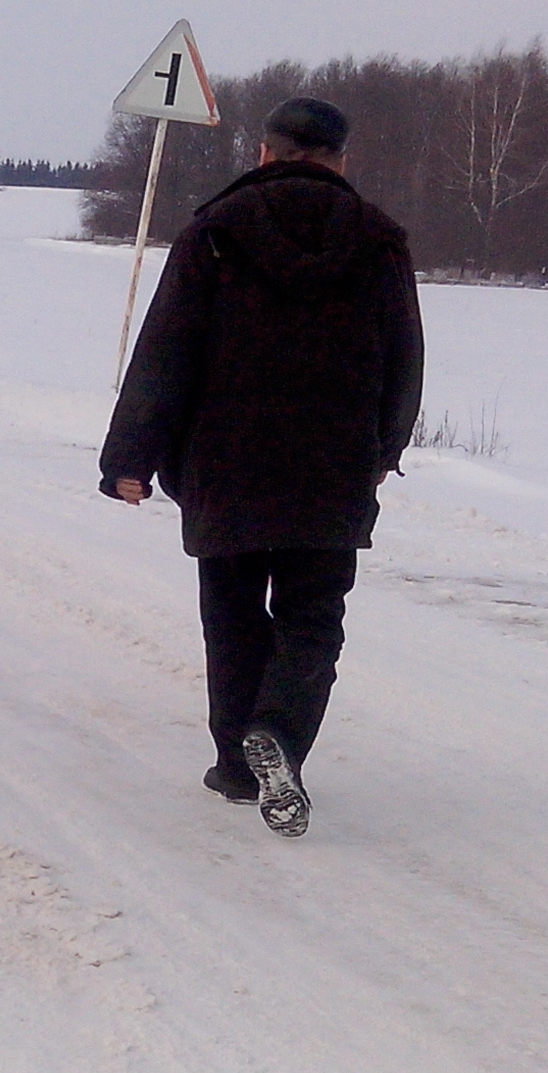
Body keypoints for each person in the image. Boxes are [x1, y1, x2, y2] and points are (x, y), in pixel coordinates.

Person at [97, 95, 423, 839]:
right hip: (332, 463)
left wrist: (130, 457)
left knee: (235, 614)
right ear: (341, 159)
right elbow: (406, 356)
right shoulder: (379, 239)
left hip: (226, 461)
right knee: (313, 616)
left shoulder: (216, 231)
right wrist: (385, 450)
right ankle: (277, 733)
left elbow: (166, 350)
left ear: (265, 153)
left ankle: (239, 766)